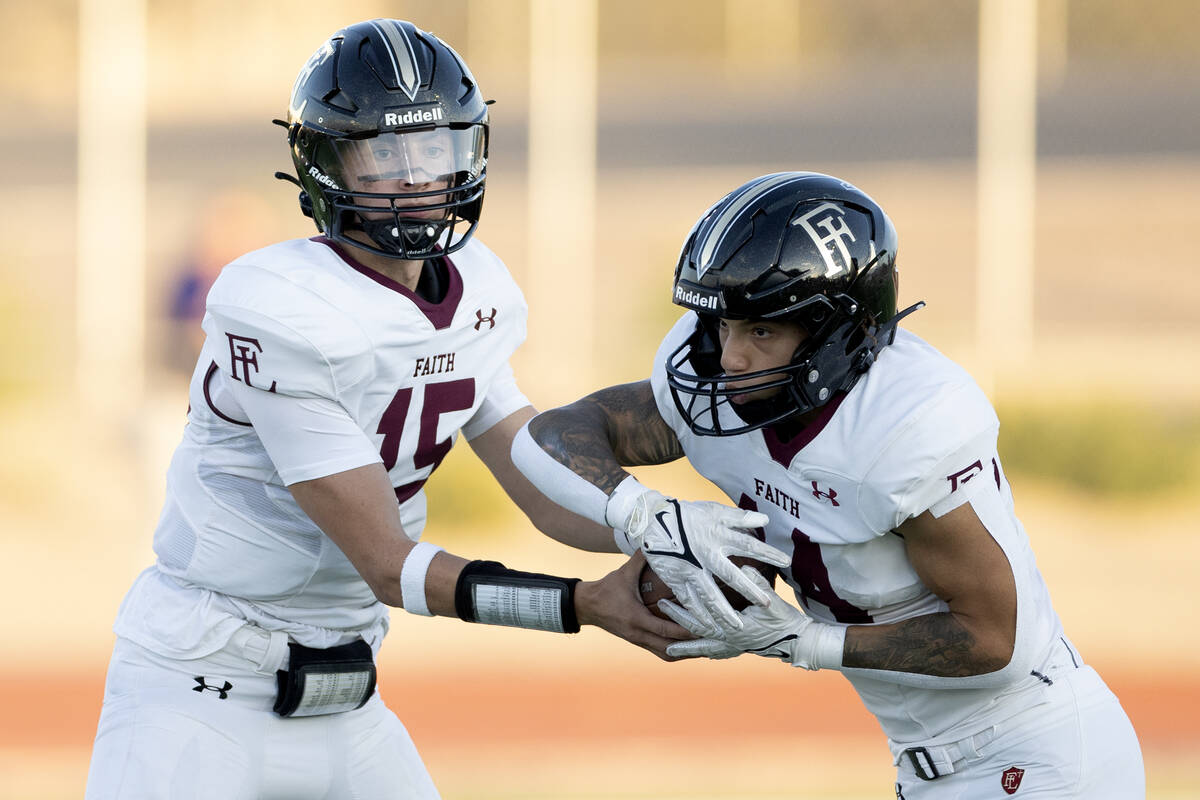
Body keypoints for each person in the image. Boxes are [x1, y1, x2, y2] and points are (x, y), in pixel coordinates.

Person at [85, 19, 697, 799]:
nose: (414, 176)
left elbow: (543, 485)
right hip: (199, 694)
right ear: (326, 164)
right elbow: (388, 565)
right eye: (384, 153)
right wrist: (582, 605)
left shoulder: (478, 289)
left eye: (434, 149)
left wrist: (669, 530)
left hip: (350, 698)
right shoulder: (277, 304)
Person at [512, 171, 1146, 798]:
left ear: (836, 335)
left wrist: (800, 640)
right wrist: (646, 515)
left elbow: (996, 640)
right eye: (723, 326)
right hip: (928, 765)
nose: (730, 357)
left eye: (761, 330)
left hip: (1038, 756)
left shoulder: (903, 428)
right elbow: (555, 435)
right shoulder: (724, 385)